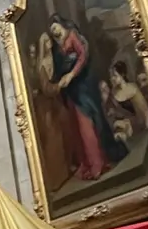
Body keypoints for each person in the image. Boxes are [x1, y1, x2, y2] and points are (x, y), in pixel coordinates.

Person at [47, 15, 127, 180]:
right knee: (77, 128)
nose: (55, 32)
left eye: (56, 28)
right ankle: (87, 165)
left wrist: (71, 74)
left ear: (63, 25)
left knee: (87, 125)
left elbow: (82, 56)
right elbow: (58, 69)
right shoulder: (57, 48)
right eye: (52, 31)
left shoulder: (72, 36)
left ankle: (97, 163)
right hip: (71, 91)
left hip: (83, 85)